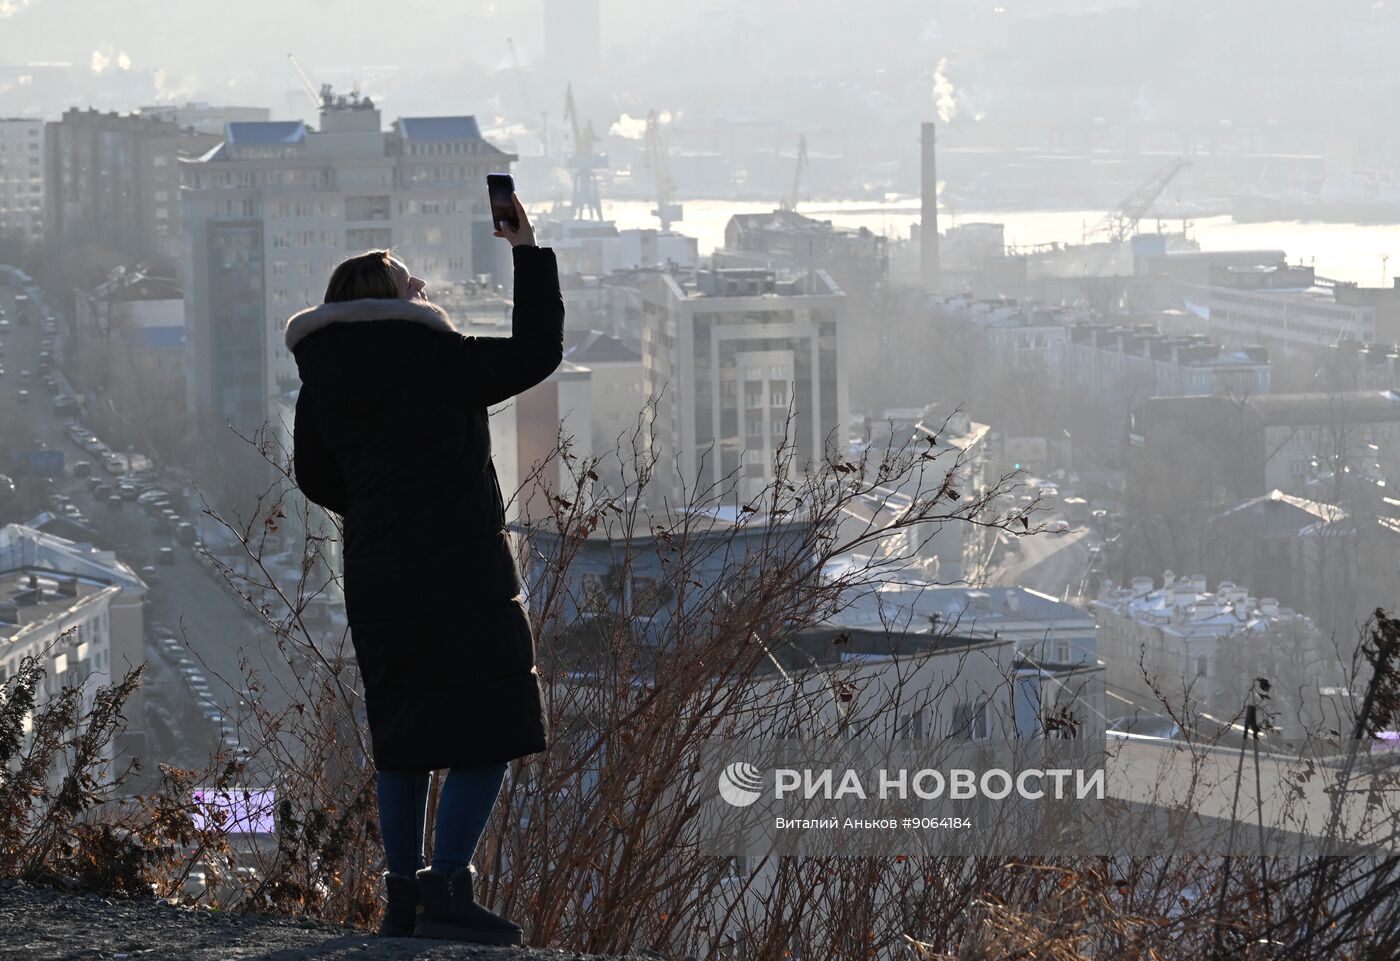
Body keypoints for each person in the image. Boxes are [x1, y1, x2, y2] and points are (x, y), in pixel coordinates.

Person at [284, 193, 561, 944]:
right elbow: (538, 350)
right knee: (491, 723)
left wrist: (379, 510)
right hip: (464, 572)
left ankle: (401, 898)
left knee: (402, 733)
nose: (424, 290)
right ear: (389, 301)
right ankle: (447, 886)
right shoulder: (442, 360)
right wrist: (526, 250)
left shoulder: (321, 381)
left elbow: (314, 475)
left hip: (380, 577)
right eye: (412, 284)